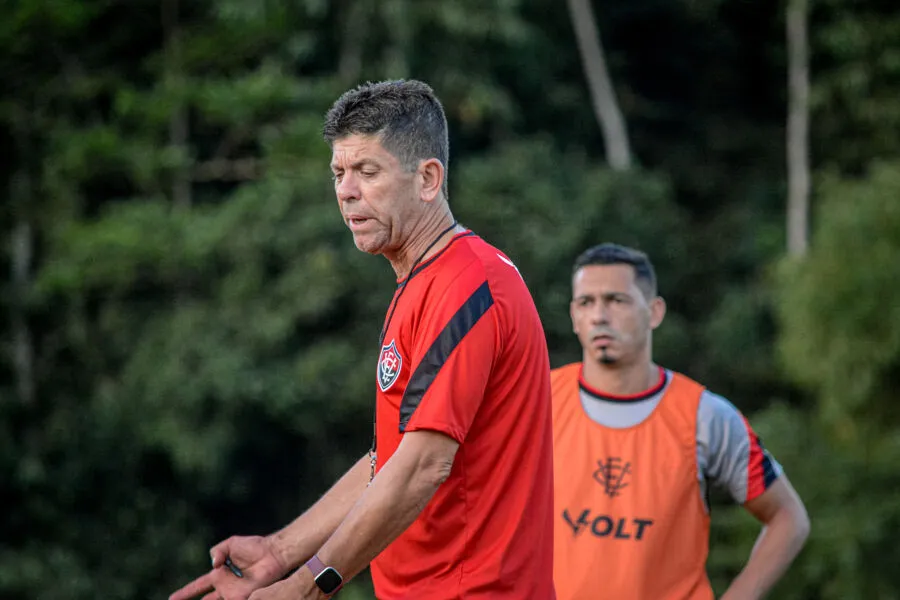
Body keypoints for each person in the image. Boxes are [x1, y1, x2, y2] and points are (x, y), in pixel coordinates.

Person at [169, 79, 556, 600]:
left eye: (367, 172)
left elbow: (423, 464)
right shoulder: (423, 279)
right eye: (338, 173)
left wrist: (307, 588)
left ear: (428, 178)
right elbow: (390, 458)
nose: (346, 191)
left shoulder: (468, 284)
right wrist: (281, 553)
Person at [551, 243, 810, 600]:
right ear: (573, 315)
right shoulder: (537, 401)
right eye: (586, 302)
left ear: (654, 312)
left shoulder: (705, 416)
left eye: (617, 300)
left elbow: (788, 517)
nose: (599, 316)